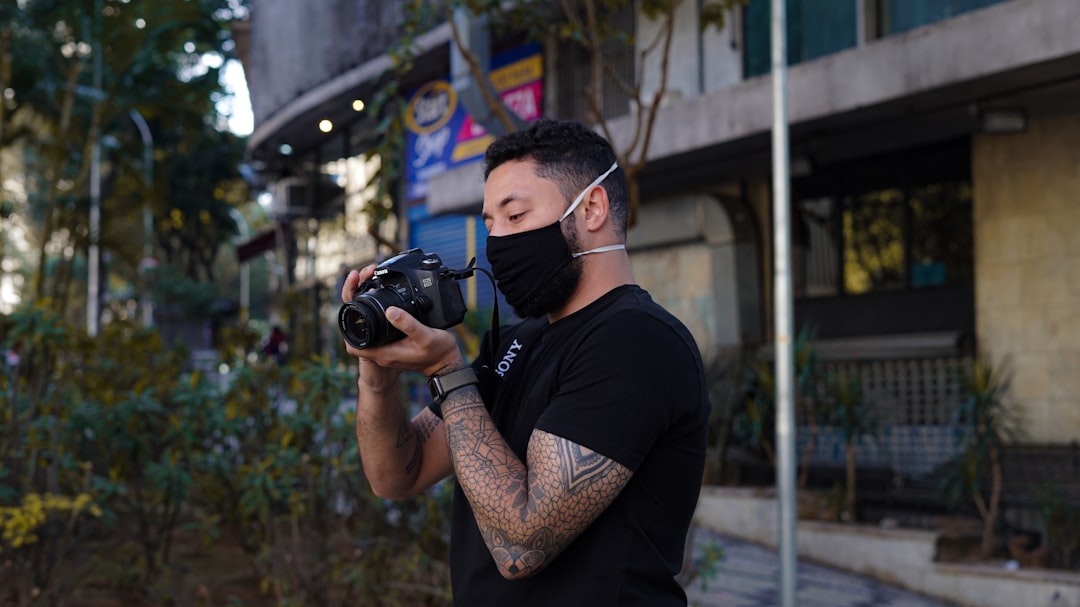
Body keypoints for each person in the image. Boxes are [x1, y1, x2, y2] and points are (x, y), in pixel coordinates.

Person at [341, 118, 710, 606]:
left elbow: (521, 545)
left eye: (515, 217)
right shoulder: (516, 343)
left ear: (593, 208)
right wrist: (377, 375)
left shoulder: (637, 341)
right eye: (490, 223)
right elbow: (396, 476)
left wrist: (449, 374)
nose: (496, 243)